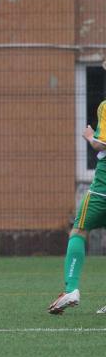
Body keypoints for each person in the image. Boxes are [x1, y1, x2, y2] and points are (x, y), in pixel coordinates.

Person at [49, 106, 106, 314]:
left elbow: (102, 144)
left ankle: (71, 289)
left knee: (79, 230)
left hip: (102, 191)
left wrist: (90, 136)